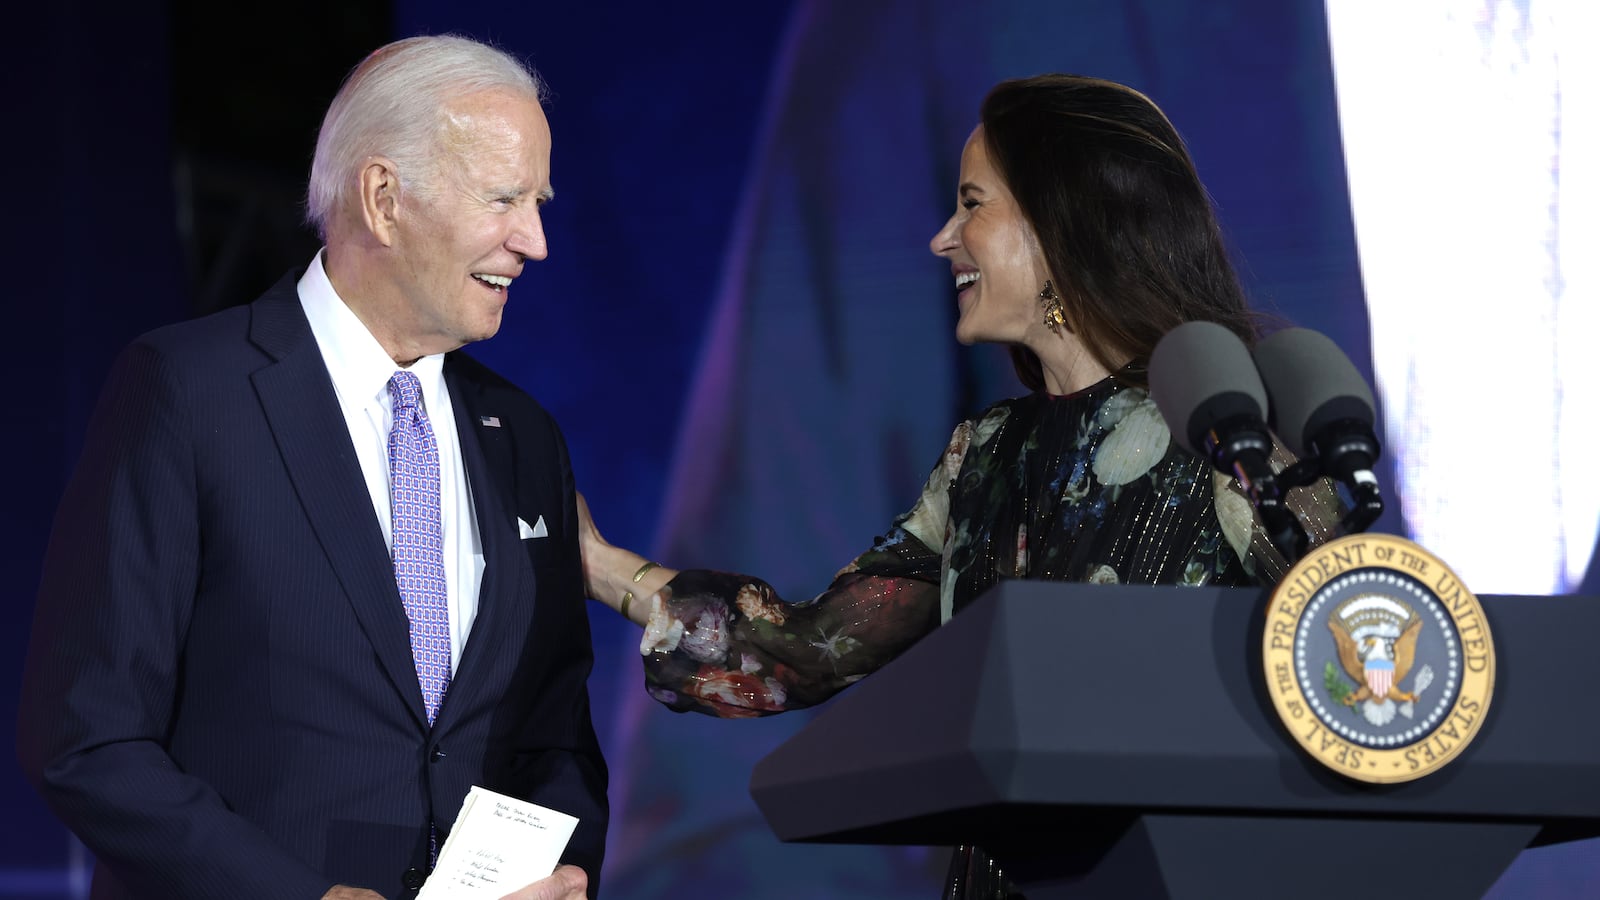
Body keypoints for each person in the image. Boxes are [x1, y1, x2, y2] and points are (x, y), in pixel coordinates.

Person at [577, 74, 1338, 894]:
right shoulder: (986, 453)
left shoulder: (1223, 427)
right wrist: (597, 564)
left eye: (972, 204)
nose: (943, 239)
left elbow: (1353, 663)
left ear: (1059, 223)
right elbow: (800, 653)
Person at [16, 35, 605, 900]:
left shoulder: (521, 434)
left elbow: (555, 738)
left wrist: (562, 875)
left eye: (539, 200)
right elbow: (85, 739)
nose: (536, 241)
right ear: (382, 198)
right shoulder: (190, 393)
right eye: (505, 198)